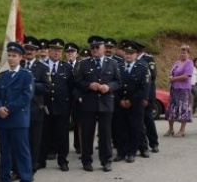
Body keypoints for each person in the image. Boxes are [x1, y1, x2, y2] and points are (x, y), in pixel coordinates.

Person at [0, 42, 34, 182]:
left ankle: (26, 181)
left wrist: (7, 109)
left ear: (21, 58)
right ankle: (4, 180)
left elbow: (26, 97)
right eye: (9, 55)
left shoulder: (26, 75)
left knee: (21, 151)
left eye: (14, 56)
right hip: (3, 120)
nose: (11, 58)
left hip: (18, 120)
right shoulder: (2, 76)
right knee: (4, 151)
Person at [74, 35, 121, 172]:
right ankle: (86, 160)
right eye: (92, 48)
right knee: (87, 133)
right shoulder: (84, 64)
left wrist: (109, 87)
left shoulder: (112, 63)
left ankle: (106, 161)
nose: (94, 50)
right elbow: (77, 82)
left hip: (106, 103)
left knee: (105, 133)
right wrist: (89, 85)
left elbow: (118, 82)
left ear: (104, 48)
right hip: (89, 103)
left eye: (97, 47)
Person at [41, 38, 74, 171]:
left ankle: (63, 160)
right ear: (49, 51)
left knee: (63, 135)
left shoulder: (67, 67)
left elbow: (71, 88)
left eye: (59, 50)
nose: (56, 53)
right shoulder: (41, 66)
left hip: (62, 106)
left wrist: (71, 107)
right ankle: (41, 160)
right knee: (44, 134)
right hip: (45, 106)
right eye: (54, 50)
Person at [114, 40, 149, 163]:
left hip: (135, 105)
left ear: (136, 55)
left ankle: (131, 152)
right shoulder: (118, 67)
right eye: (126, 53)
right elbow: (115, 85)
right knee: (120, 128)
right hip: (119, 104)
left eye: (131, 53)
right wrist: (119, 100)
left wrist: (131, 101)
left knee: (135, 128)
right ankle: (121, 152)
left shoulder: (143, 68)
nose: (128, 55)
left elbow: (143, 88)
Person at [20, 36, 51, 171]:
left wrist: (30, 84)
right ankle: (20, 166)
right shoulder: (18, 65)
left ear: (36, 51)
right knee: (21, 141)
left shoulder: (43, 67)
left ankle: (32, 166)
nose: (29, 51)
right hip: (19, 109)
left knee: (34, 140)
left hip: (35, 109)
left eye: (32, 49)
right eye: (27, 49)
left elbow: (47, 87)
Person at [164, 45, 194, 137]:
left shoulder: (189, 63)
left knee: (183, 108)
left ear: (188, 54)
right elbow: (171, 73)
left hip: (183, 89)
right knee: (171, 108)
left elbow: (186, 76)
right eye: (181, 52)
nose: (182, 54)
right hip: (174, 88)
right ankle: (171, 129)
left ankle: (182, 130)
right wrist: (170, 77)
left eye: (184, 52)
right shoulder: (176, 62)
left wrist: (174, 79)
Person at [137, 42, 159, 153]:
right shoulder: (132, 60)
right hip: (137, 95)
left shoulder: (148, 59)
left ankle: (154, 143)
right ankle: (140, 144)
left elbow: (153, 75)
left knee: (148, 118)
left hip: (148, 94)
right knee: (138, 120)